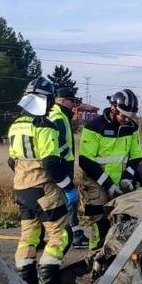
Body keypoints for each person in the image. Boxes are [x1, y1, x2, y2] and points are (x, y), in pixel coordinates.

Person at [7, 77, 78, 284]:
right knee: (61, 235)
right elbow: (51, 163)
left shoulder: (15, 125)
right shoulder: (44, 126)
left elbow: (11, 160)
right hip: (43, 188)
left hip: (22, 188)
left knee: (29, 236)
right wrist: (68, 187)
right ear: (45, 100)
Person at [76, 89, 142, 249]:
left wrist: (128, 177)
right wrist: (108, 185)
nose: (126, 120)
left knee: (126, 222)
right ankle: (95, 259)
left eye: (130, 117)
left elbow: (135, 155)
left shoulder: (131, 127)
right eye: (123, 116)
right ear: (114, 108)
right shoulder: (94, 127)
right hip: (97, 180)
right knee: (100, 224)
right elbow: (85, 161)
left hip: (121, 180)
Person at [49, 85, 88, 247]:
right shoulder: (58, 117)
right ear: (63, 101)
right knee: (67, 199)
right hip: (61, 165)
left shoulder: (59, 115)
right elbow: (58, 142)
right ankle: (72, 233)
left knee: (64, 200)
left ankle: (72, 231)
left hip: (61, 164)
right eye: (71, 101)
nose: (74, 105)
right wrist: (65, 158)